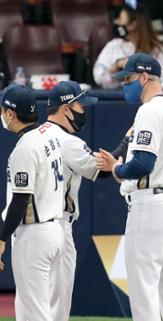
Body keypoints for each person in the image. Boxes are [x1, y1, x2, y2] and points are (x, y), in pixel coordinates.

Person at [95, 53, 163, 321]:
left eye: (128, 78)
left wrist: (115, 168)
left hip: (151, 204)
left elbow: (142, 164)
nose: (125, 84)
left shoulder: (149, 110)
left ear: (144, 77)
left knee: (143, 288)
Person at [0, 85, 65, 321]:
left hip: (34, 233)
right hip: (52, 227)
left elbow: (20, 199)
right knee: (27, 310)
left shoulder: (25, 147)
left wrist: (1, 239)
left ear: (10, 113)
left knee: (36, 313)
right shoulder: (48, 136)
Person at [42, 81, 100, 321]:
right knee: (58, 303)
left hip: (29, 226)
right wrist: (127, 142)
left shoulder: (36, 135)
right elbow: (103, 170)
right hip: (58, 223)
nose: (83, 110)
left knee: (31, 300)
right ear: (66, 108)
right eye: (79, 104)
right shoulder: (69, 142)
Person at [93, 4, 163, 89]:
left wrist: (147, 83)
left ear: (133, 25)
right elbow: (99, 78)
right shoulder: (113, 46)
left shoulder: (157, 51)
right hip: (118, 99)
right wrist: (116, 66)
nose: (116, 22)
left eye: (120, 19)